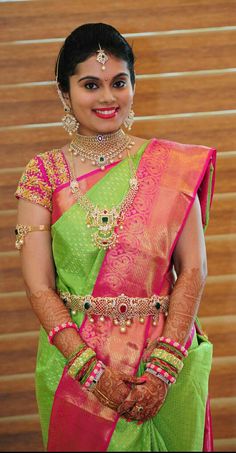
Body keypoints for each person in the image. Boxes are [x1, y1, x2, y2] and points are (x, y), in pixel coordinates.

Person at [15, 22, 216, 452]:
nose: (107, 98)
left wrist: (163, 369)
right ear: (65, 93)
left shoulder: (172, 167)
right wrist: (90, 370)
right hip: (75, 370)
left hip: (164, 363)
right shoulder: (44, 173)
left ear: (133, 86)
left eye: (118, 83)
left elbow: (193, 270)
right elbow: (38, 286)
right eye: (91, 84)